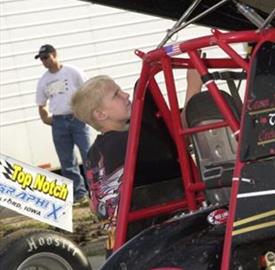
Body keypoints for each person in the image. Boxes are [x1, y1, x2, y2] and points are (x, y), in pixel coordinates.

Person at [71, 70, 202, 221]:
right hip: (155, 228)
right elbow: (179, 140)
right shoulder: (125, 143)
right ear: (100, 115)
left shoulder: (94, 153)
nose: (125, 95)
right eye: (116, 95)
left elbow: (94, 206)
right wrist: (193, 86)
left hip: (123, 236)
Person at [35, 44, 91, 204]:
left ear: (55, 54)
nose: (44, 61)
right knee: (67, 160)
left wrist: (86, 111)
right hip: (58, 122)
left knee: (88, 155)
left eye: (46, 57)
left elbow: (87, 90)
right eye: (41, 59)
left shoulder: (72, 72)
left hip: (77, 118)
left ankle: (96, 190)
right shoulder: (43, 81)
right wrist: (46, 119)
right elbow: (41, 104)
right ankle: (80, 195)